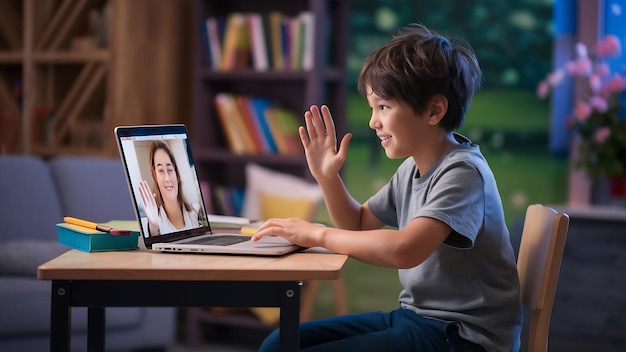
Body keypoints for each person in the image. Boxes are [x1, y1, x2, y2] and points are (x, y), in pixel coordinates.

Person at [252, 24, 522, 352]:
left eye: (383, 107)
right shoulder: (411, 170)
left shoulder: (463, 173)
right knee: (278, 344)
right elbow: (358, 224)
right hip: (418, 319)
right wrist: (327, 178)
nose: (372, 122)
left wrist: (317, 235)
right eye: (372, 108)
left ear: (434, 110)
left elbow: (404, 249)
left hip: (463, 337)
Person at [138, 140, 200, 236]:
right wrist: (153, 229)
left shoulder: (194, 213)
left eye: (170, 170)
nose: (167, 178)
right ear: (155, 176)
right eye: (161, 170)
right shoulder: (153, 221)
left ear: (176, 173)